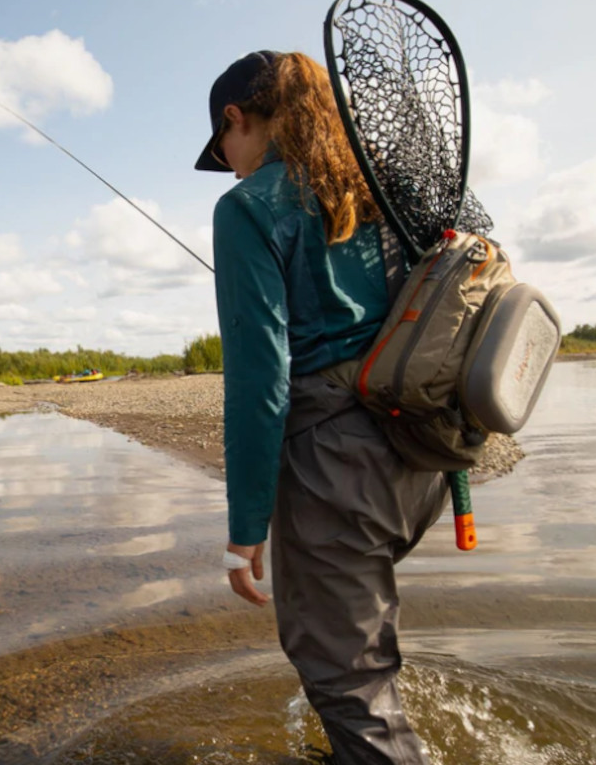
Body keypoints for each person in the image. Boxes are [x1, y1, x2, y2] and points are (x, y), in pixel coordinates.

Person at [194, 50, 450, 763]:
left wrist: (246, 526)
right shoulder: (380, 188)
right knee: (361, 658)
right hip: (423, 463)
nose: (235, 168)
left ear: (234, 120)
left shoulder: (246, 206)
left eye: (227, 151)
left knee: (348, 685)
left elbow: (258, 378)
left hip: (337, 475)